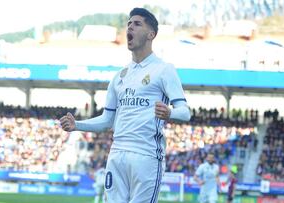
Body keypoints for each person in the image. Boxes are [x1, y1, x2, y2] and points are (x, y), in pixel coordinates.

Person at [60, 7, 190, 203]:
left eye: (137, 24)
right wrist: (77, 125)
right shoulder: (118, 77)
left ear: (151, 34)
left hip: (145, 154)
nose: (130, 27)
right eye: (128, 24)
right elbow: (107, 120)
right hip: (117, 152)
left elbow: (185, 112)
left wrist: (169, 112)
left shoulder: (164, 70)